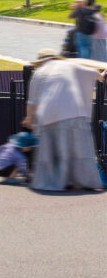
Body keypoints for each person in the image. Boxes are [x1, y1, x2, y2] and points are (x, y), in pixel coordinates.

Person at [22, 49, 103, 191]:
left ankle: (57, 181)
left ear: (40, 62)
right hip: (75, 111)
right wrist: (102, 75)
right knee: (78, 148)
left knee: (54, 149)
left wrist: (29, 118)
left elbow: (31, 102)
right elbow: (95, 74)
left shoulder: (38, 74)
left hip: (49, 113)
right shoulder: (69, 66)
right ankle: (80, 180)